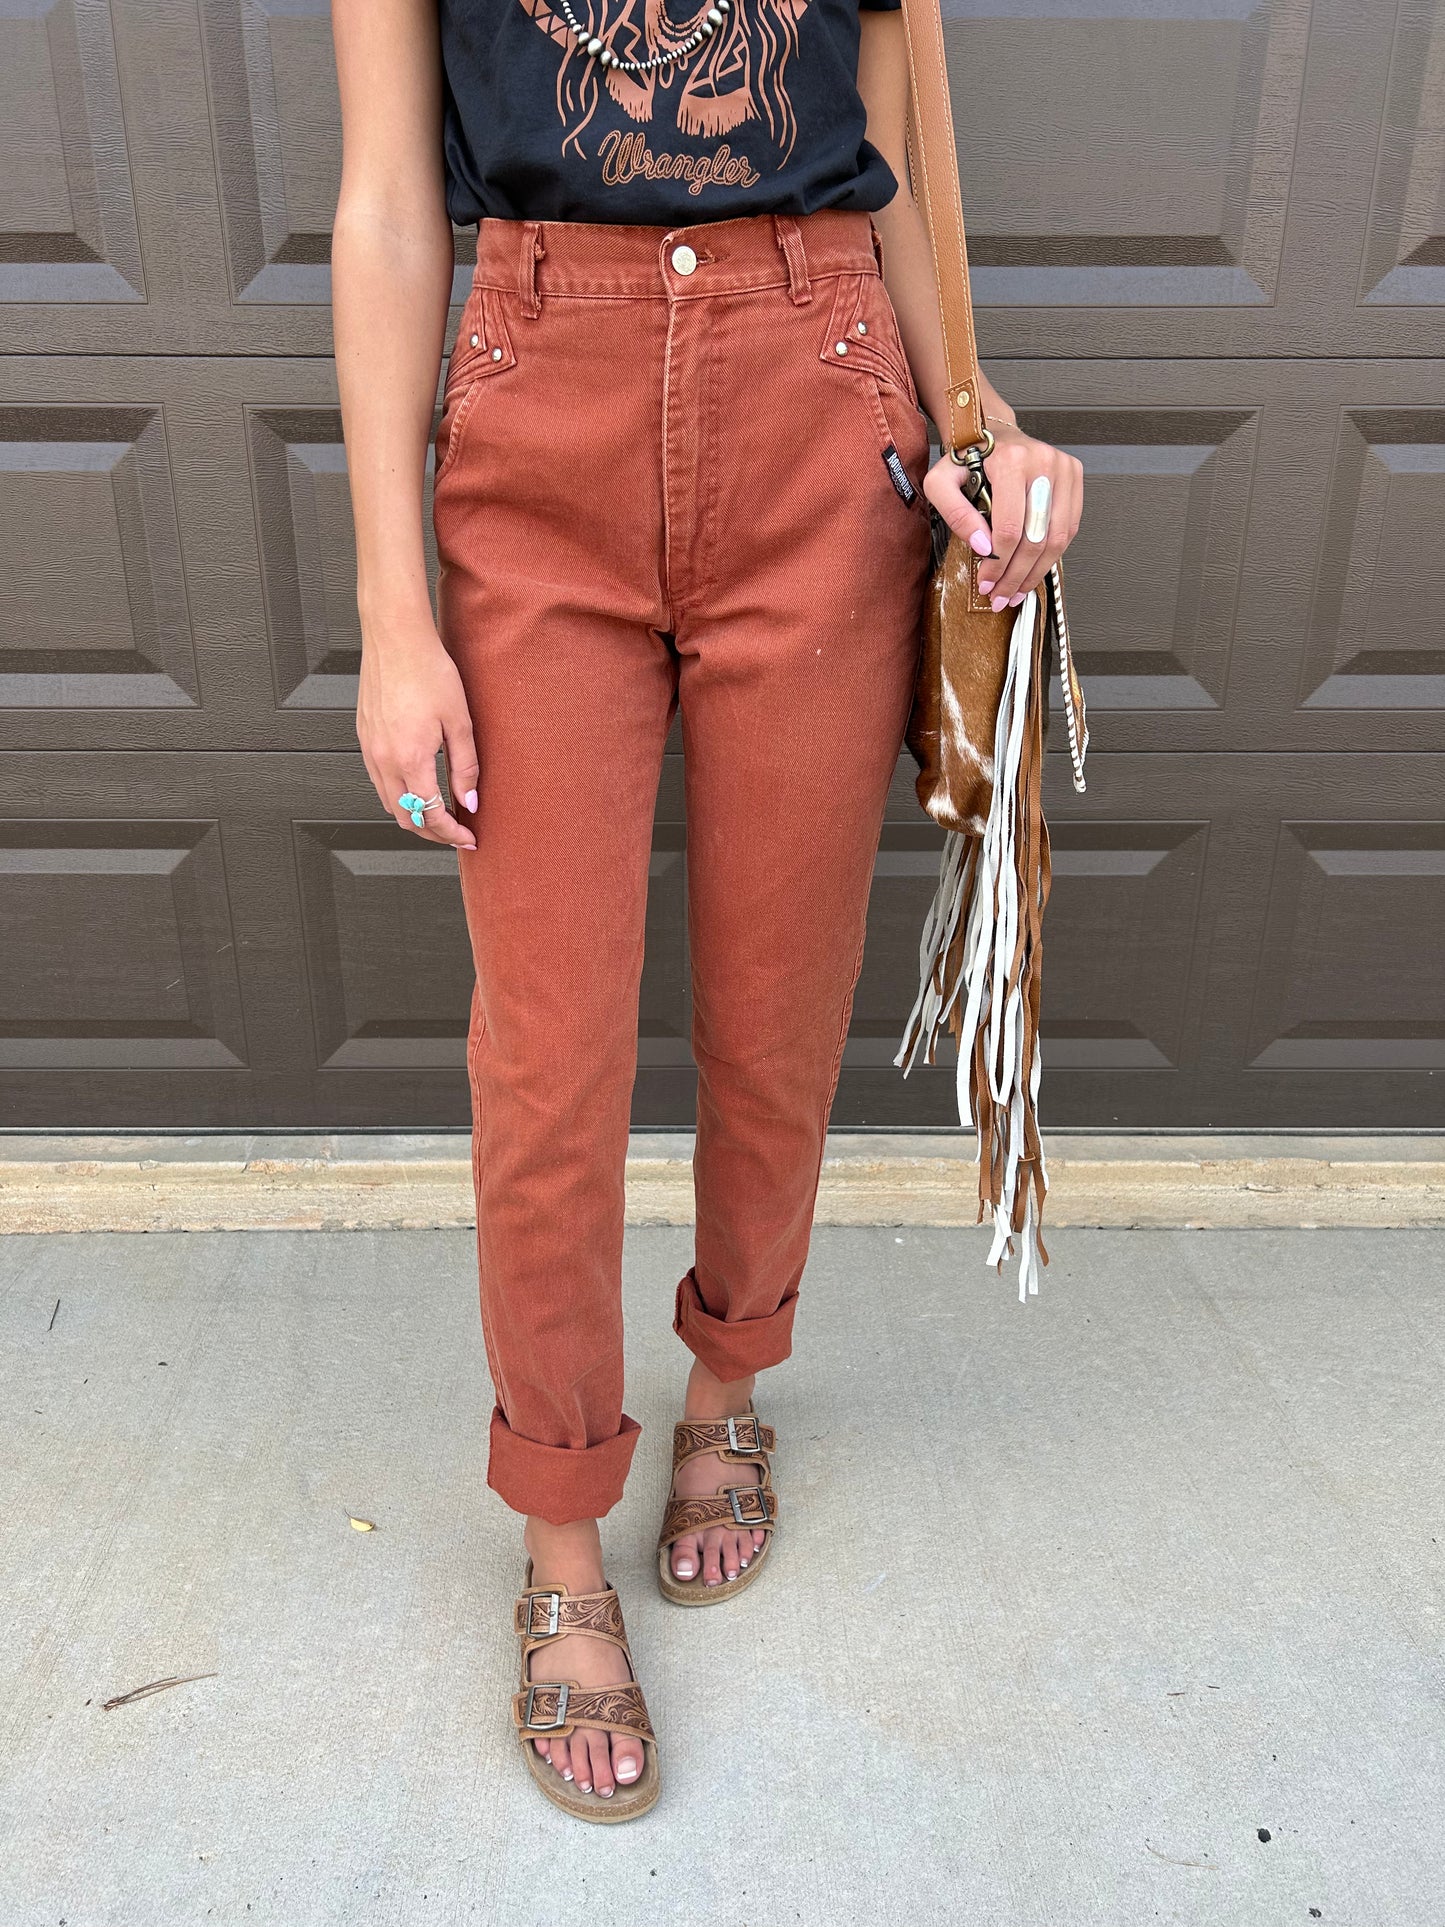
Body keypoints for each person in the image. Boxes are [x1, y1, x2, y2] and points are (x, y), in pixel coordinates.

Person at [329, 0, 1082, 1821]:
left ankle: (730, 1378)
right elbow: (383, 204)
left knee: (775, 992)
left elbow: (895, 165)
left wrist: (977, 421)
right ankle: (561, 1534)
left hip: (814, 391)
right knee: (549, 1045)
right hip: (537, 404)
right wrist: (393, 613)